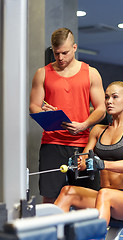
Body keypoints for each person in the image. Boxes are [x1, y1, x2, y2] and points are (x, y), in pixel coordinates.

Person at [29, 28, 106, 204]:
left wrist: (84, 124)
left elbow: (101, 108)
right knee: (50, 196)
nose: (61, 58)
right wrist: (45, 113)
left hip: (83, 144)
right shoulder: (42, 73)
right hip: (52, 143)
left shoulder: (91, 73)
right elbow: (33, 105)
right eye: (57, 54)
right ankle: (52, 232)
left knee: (85, 197)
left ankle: (81, 232)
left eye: (65, 53)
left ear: (75, 48)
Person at [54, 81, 123, 226]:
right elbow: (84, 159)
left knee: (105, 194)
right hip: (103, 195)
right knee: (67, 191)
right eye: (107, 97)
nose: (109, 101)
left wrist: (102, 164)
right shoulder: (98, 130)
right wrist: (77, 163)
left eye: (115, 97)